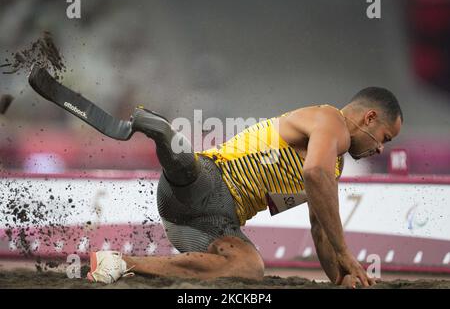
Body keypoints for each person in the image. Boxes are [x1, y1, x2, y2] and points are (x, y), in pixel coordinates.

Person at [87, 87, 403, 287]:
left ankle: (118, 263)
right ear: (370, 117)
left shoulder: (335, 163)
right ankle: (163, 134)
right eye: (385, 138)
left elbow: (320, 228)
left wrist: (341, 278)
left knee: (249, 268)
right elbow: (315, 173)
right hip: (209, 182)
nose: (381, 150)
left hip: (203, 224)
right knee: (191, 168)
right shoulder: (330, 121)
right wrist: (347, 254)